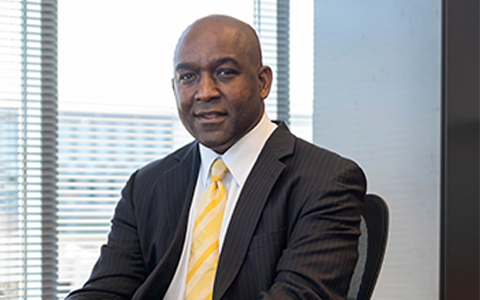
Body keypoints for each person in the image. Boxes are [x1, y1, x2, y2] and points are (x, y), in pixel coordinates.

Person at [65, 15, 366, 300]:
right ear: (174, 88)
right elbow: (106, 290)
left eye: (224, 73)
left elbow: (299, 295)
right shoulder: (147, 185)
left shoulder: (325, 180)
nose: (204, 92)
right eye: (188, 77)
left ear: (263, 82)